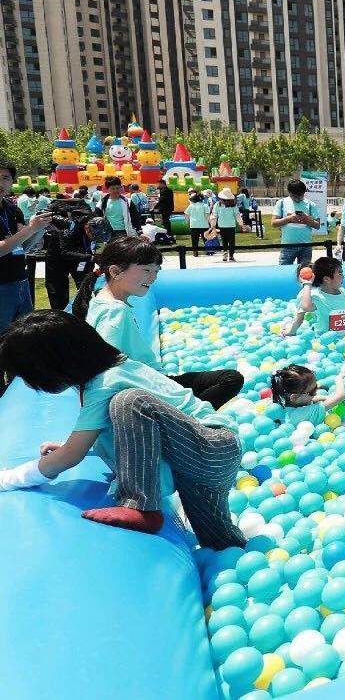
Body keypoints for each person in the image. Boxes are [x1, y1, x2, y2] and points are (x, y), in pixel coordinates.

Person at [0, 311, 244, 547]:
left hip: (212, 446)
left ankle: (142, 507)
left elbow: (72, 456)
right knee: (220, 543)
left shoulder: (107, 382)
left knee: (130, 402)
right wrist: (72, 446)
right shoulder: (112, 371)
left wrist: (10, 478)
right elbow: (105, 437)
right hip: (198, 461)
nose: (31, 384)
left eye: (30, 376)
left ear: (52, 365)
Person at [71, 237, 245, 408]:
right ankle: (186, 418)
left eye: (156, 271)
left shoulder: (99, 298)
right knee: (231, 379)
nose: (153, 277)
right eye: (147, 270)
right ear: (115, 272)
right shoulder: (115, 311)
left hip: (149, 381)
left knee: (225, 379)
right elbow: (104, 367)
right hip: (148, 389)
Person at [0, 160, 53, 332]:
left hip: (21, 281)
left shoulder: (13, 209)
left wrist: (39, 229)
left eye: (5, 178)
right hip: (2, 285)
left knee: (24, 336)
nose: (1, 183)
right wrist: (31, 228)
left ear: (12, 181)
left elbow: (23, 248)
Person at [284, 256, 345, 335]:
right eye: (340, 273)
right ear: (327, 279)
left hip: (342, 334)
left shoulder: (341, 291)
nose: (343, 276)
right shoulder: (317, 296)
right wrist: (307, 284)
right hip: (323, 338)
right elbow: (306, 307)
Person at [44, 213, 109, 313]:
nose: (96, 240)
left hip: (82, 255)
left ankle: (85, 310)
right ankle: (60, 313)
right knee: (58, 290)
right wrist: (91, 257)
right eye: (95, 237)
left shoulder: (99, 227)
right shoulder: (68, 229)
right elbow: (65, 253)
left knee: (85, 282)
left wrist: (101, 263)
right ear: (87, 228)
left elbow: (98, 253)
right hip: (58, 257)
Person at [269, 364, 345, 427]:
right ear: (294, 397)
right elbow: (340, 396)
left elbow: (309, 399)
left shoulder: (282, 404)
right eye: (312, 391)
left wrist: (326, 397)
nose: (316, 392)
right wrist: (339, 379)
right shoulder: (302, 414)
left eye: (316, 387)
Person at [272, 179, 323, 266]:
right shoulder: (281, 203)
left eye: (301, 196)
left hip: (306, 246)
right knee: (284, 270)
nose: (298, 198)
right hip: (287, 246)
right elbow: (273, 223)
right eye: (295, 196)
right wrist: (289, 218)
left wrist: (306, 219)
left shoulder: (311, 204)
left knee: (305, 272)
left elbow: (317, 225)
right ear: (289, 193)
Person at [214, 187, 244, 261]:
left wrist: (213, 225)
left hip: (221, 225)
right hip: (231, 225)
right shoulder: (233, 205)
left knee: (224, 240)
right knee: (231, 241)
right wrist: (241, 224)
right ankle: (231, 255)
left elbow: (214, 215)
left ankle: (225, 253)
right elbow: (237, 215)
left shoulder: (218, 204)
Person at [184, 191, 211, 256]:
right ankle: (208, 251)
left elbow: (186, 214)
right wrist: (210, 223)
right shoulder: (205, 205)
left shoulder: (191, 206)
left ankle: (195, 252)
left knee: (194, 240)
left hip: (193, 225)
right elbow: (207, 216)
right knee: (205, 239)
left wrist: (187, 221)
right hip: (204, 225)